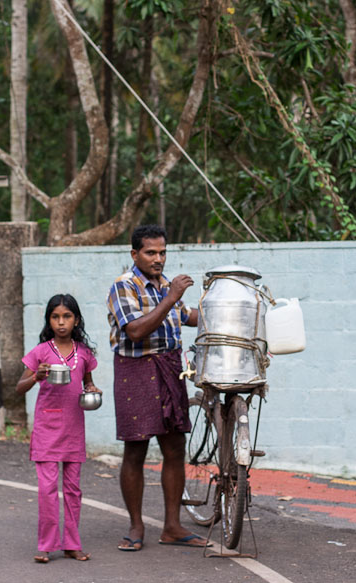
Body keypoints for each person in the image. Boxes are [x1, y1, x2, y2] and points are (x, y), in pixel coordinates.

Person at [107, 224, 210, 551]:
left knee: (175, 448)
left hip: (169, 368)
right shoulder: (124, 286)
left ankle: (172, 527)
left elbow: (187, 316)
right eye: (151, 252)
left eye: (163, 252)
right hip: (135, 371)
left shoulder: (165, 286)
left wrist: (223, 304)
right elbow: (135, 330)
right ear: (134, 253)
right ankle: (136, 527)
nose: (158, 258)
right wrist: (171, 298)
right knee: (136, 449)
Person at [16, 293, 101, 563]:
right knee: (47, 489)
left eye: (67, 316)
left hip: (74, 429)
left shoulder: (84, 354)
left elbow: (88, 382)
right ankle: (46, 544)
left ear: (76, 320)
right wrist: (35, 376)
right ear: (49, 320)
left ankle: (72, 543)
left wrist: (92, 389)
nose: (61, 322)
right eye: (55, 317)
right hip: (47, 430)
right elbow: (19, 387)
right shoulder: (40, 352)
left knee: (74, 489)